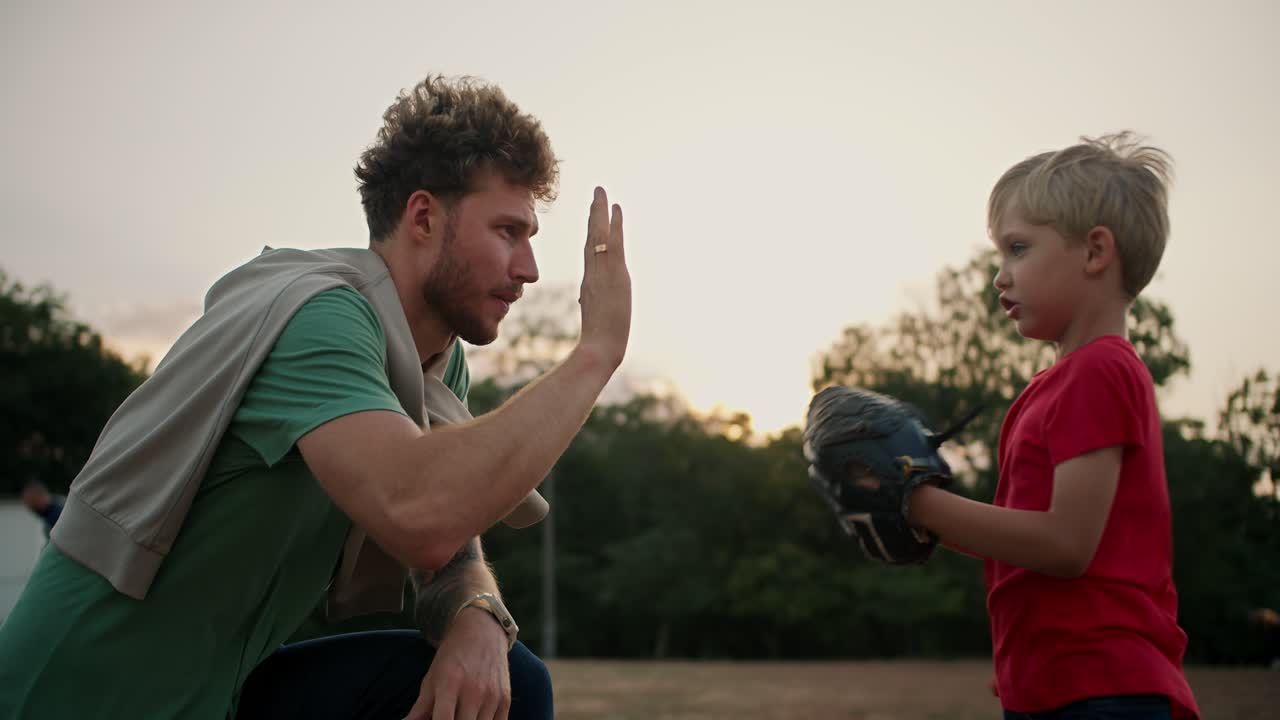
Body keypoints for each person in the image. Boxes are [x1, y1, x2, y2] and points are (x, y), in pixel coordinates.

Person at [0, 74, 631, 720]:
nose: (528, 267)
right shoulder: (317, 316)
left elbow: (448, 553)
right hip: (75, 696)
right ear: (422, 217)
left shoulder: (435, 364)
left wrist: (476, 614)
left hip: (224, 697)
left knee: (512, 683)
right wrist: (595, 354)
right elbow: (416, 508)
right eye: (508, 231)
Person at [905, 133, 1200, 719]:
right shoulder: (1058, 383)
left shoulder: (1100, 370)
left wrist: (916, 505)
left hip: (1106, 689)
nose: (999, 277)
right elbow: (1036, 548)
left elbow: (1066, 545)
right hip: (1063, 684)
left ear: (1095, 252)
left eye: (1018, 248)